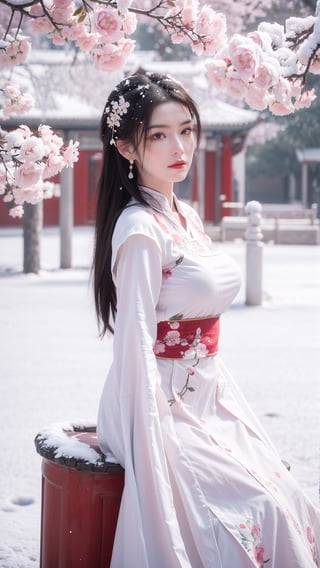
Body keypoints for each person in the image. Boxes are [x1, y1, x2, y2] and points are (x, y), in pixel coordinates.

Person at [93, 71, 320, 568]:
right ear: (127, 148)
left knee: (287, 495)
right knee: (251, 510)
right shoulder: (139, 231)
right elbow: (133, 345)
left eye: (187, 130)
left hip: (205, 395)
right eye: (158, 135)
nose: (179, 146)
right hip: (154, 400)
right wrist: (151, 435)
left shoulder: (186, 216)